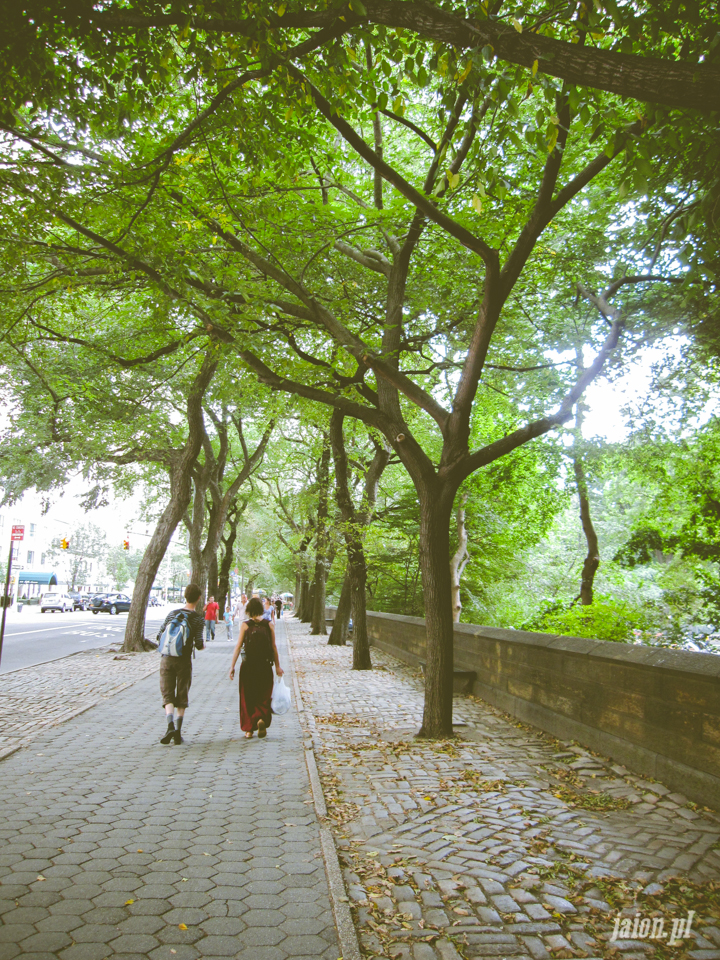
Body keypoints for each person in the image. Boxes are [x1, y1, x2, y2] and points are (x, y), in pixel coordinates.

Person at [157, 584, 205, 745]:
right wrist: (202, 646)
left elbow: (160, 635)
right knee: (182, 692)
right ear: (198, 598)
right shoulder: (198, 618)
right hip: (184, 660)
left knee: (167, 693)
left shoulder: (172, 614)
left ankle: (169, 725)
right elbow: (199, 643)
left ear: (185, 596)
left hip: (167, 658)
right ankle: (177, 732)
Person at [229, 596, 283, 739]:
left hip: (248, 667)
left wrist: (232, 666)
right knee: (264, 695)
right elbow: (274, 647)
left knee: (247, 697)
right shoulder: (269, 625)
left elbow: (238, 646)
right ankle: (260, 719)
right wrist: (278, 666)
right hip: (265, 666)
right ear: (260, 609)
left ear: (248, 610)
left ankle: (249, 729)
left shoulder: (245, 626)